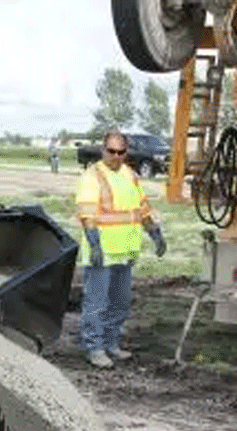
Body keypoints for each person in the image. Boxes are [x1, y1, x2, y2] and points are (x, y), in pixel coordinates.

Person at [75, 129, 167, 368]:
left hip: (125, 250)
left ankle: (110, 342)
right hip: (101, 252)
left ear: (126, 152)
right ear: (103, 150)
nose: (116, 156)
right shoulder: (92, 176)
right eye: (111, 151)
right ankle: (94, 348)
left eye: (121, 152)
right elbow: (87, 214)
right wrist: (94, 245)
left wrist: (155, 234)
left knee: (120, 301)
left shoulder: (131, 175)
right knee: (97, 302)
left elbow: (142, 209)